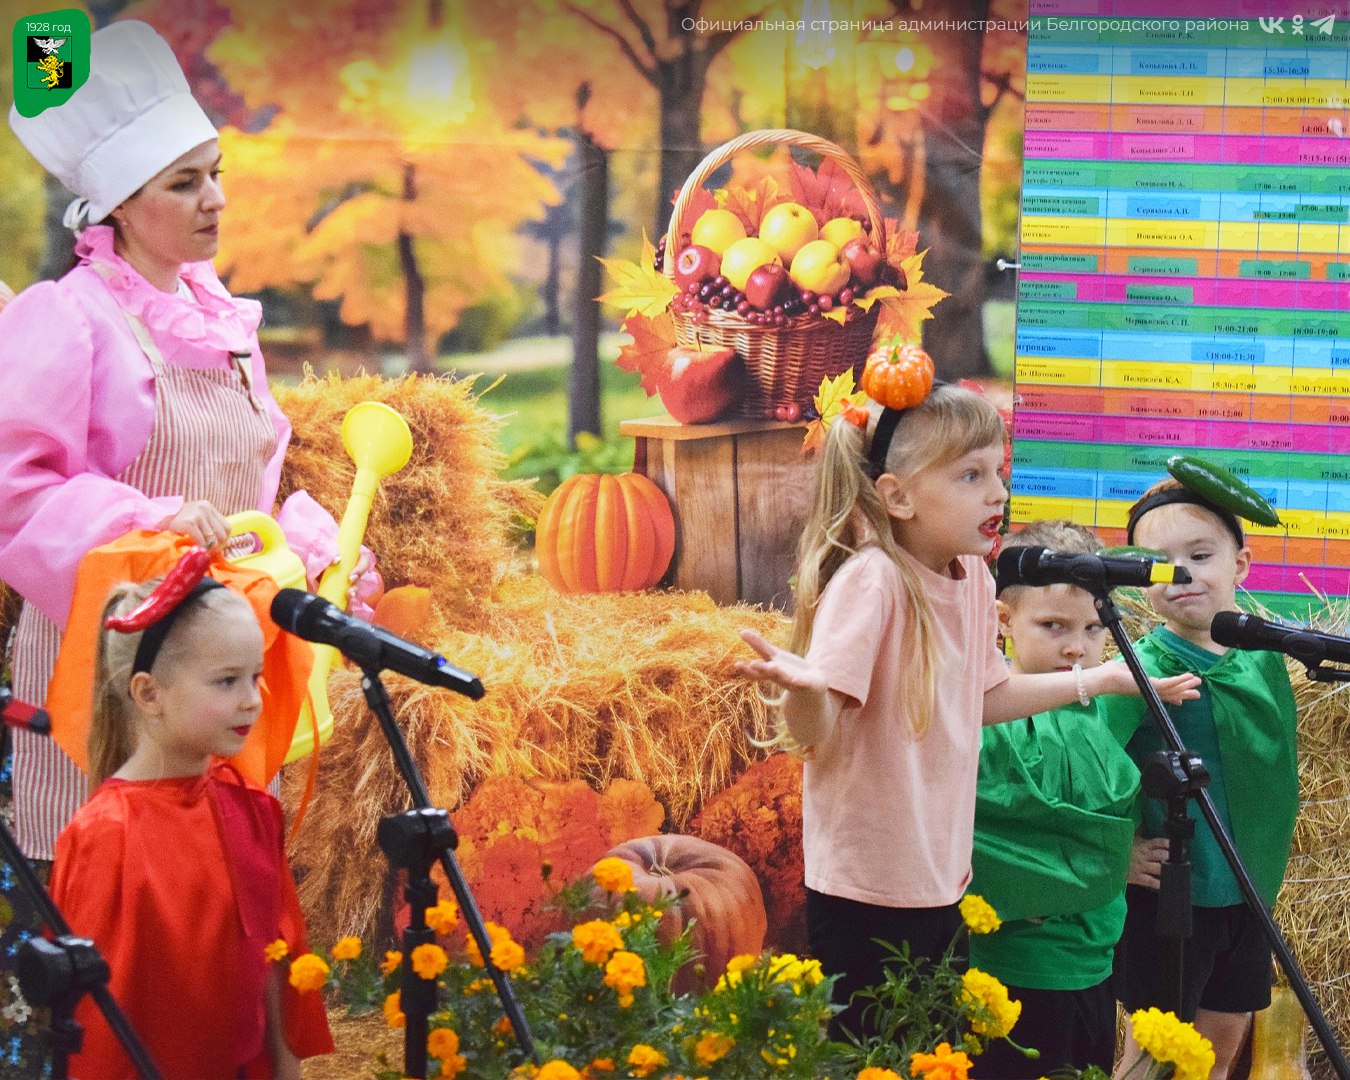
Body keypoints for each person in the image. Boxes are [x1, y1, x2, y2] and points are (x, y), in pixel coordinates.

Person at [733, 384, 1200, 1040]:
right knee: (877, 1054)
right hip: (867, 890)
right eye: (971, 475)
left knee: (933, 1050)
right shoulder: (875, 581)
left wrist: (1100, 680)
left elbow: (982, 700)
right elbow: (817, 735)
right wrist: (805, 691)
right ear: (897, 496)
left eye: (999, 471)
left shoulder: (972, 580)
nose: (997, 493)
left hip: (939, 882)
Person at [1, 20, 356, 863]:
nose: (217, 200)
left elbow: (250, 494)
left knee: (217, 911)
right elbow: (17, 496)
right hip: (118, 675)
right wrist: (152, 522)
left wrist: (296, 551)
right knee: (119, 920)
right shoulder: (68, 317)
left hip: (222, 671)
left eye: (217, 175)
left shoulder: (224, 324)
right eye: (186, 182)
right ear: (121, 204)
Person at [49, 567, 333, 1078]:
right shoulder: (106, 835)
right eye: (227, 680)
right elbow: (98, 1026)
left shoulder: (249, 808)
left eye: (256, 676)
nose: (251, 699)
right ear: (149, 694)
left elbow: (274, 964)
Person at [1105, 477, 1299, 1080]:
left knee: (1216, 1049)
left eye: (1200, 554)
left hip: (1246, 894)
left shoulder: (1263, 655)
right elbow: (1087, 767)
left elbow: (1276, 771)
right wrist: (1119, 852)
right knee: (1153, 1058)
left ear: (1241, 561)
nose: (1181, 573)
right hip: (1170, 900)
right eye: (1162, 564)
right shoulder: (1136, 670)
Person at [968, 519, 1139, 1078]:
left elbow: (1107, 818)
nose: (1076, 646)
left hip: (1093, 963)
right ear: (1003, 620)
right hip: (1009, 970)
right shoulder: (987, 720)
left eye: (1094, 628)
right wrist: (1025, 884)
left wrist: (1119, 860)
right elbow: (978, 830)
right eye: (1052, 625)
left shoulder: (1102, 715)